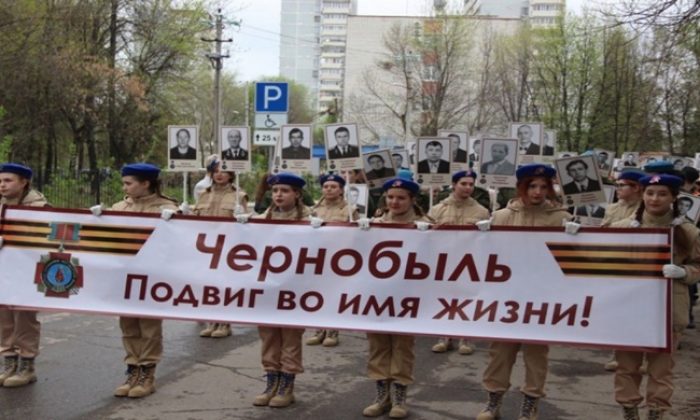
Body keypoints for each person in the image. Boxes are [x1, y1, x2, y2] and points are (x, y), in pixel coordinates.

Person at [475, 163, 573, 420]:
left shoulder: (561, 218)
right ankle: (493, 401)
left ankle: (530, 405)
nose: (538, 192)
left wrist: (578, 235)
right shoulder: (502, 216)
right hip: (508, 295)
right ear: (522, 188)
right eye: (532, 186)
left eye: (543, 186)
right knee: (500, 352)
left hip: (542, 296)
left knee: (536, 354)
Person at [611, 174, 700, 420]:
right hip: (628, 309)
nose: (655, 198)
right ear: (643, 195)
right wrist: (575, 232)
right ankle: (629, 411)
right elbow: (594, 256)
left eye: (662, 193)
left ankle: (656, 412)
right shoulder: (621, 228)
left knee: (661, 370)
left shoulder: (687, 232)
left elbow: (698, 266)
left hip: (667, 310)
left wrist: (684, 272)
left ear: (673, 198)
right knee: (626, 367)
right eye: (650, 193)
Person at [360, 176, 432, 419]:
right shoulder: (374, 224)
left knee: (402, 347)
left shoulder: (426, 225)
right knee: (378, 345)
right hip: (377, 295)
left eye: (401, 198)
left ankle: (400, 397)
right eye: (390, 197)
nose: (395, 201)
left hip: (408, 296)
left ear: (412, 199)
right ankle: (382, 395)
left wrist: (430, 235)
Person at [109, 163, 179, 399]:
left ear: (146, 183)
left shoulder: (167, 209)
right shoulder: (118, 207)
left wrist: (175, 221)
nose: (124, 187)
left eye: (129, 183)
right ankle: (132, 369)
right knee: (128, 325)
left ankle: (147, 372)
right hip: (125, 275)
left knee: (148, 326)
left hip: (152, 276)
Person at [249, 173, 311, 408]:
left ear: (296, 194)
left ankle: (287, 385)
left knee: (290, 337)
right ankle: (271, 381)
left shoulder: (311, 221)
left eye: (284, 191)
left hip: (295, 290)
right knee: (268, 336)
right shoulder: (260, 220)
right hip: (267, 288)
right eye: (275, 191)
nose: (278, 195)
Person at [429, 170, 489, 355]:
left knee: (466, 299)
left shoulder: (481, 211)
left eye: (471, 184)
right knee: (445, 300)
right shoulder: (438, 209)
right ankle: (444, 336)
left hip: (470, 262)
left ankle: (465, 338)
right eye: (464, 184)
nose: (468, 188)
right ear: (454, 185)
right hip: (444, 262)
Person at [0, 163, 49, 388]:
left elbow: (46, 238)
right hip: (3, 270)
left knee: (24, 318)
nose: (2, 185)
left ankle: (27, 364)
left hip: (27, 271)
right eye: (1, 181)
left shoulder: (39, 207)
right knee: (4, 318)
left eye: (8, 180)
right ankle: (9, 361)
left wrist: (14, 240)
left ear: (23, 182)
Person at [194, 156, 248, 339]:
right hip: (206, 247)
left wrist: (243, 216)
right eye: (215, 171)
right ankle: (211, 321)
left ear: (231, 174)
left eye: (223, 171)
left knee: (224, 286)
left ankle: (225, 323)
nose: (219, 175)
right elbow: (195, 219)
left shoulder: (238, 195)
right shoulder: (203, 194)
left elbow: (250, 223)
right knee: (208, 285)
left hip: (228, 248)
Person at [306, 174, 358, 348]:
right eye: (326, 186)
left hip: (339, 257)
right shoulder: (314, 209)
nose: (329, 189)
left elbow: (356, 234)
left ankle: (333, 331)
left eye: (333, 186)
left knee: (335, 294)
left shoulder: (349, 209)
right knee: (318, 295)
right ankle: (319, 329)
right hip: (318, 257)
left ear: (341, 190)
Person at [601, 170, 646, 373]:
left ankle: (644, 356)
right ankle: (617, 355)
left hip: (641, 264)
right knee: (619, 313)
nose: (618, 189)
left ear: (636, 188)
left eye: (622, 185)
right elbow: (605, 232)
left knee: (642, 313)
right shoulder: (611, 208)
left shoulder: (646, 208)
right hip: (617, 262)